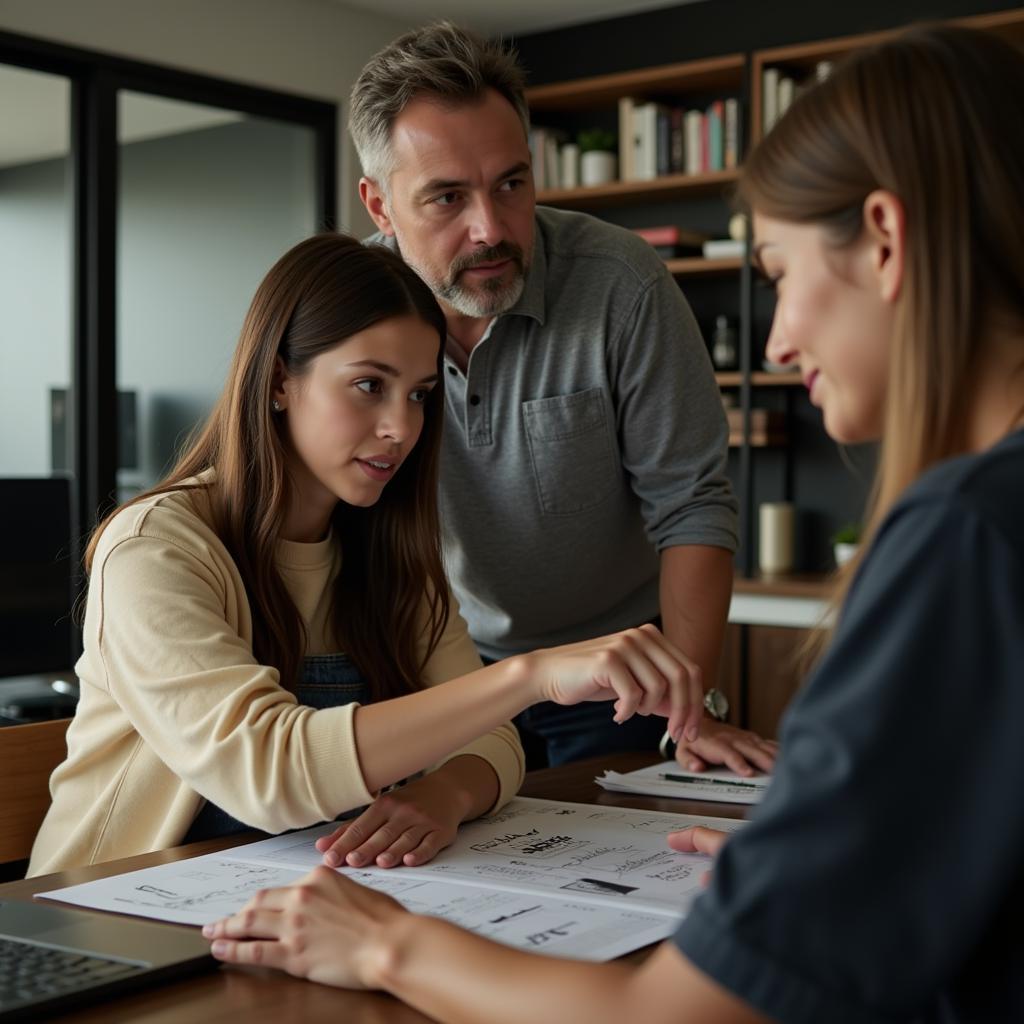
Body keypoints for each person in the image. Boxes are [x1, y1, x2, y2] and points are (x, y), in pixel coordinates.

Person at [204, 23, 1024, 1022]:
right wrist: (839, 869)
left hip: (600, 690)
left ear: (885, 242)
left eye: (772, 271)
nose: (776, 338)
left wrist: (384, 940)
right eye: (446, 198)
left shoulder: (964, 537)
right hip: (447, 698)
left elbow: (665, 1015)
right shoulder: (343, 312)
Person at [28, 234, 704, 878]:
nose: (402, 428)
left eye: (418, 394)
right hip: (106, 917)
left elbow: (493, 742)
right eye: (367, 385)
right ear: (278, 381)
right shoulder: (156, 548)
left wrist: (444, 795)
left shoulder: (388, 550)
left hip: (296, 896)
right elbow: (269, 775)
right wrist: (530, 676)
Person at [349, 22, 776, 774]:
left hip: (618, 675)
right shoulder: (344, 310)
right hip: (440, 672)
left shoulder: (623, 285)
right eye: (447, 198)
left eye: (511, 183)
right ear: (380, 207)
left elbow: (691, 506)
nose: (490, 228)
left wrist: (691, 708)